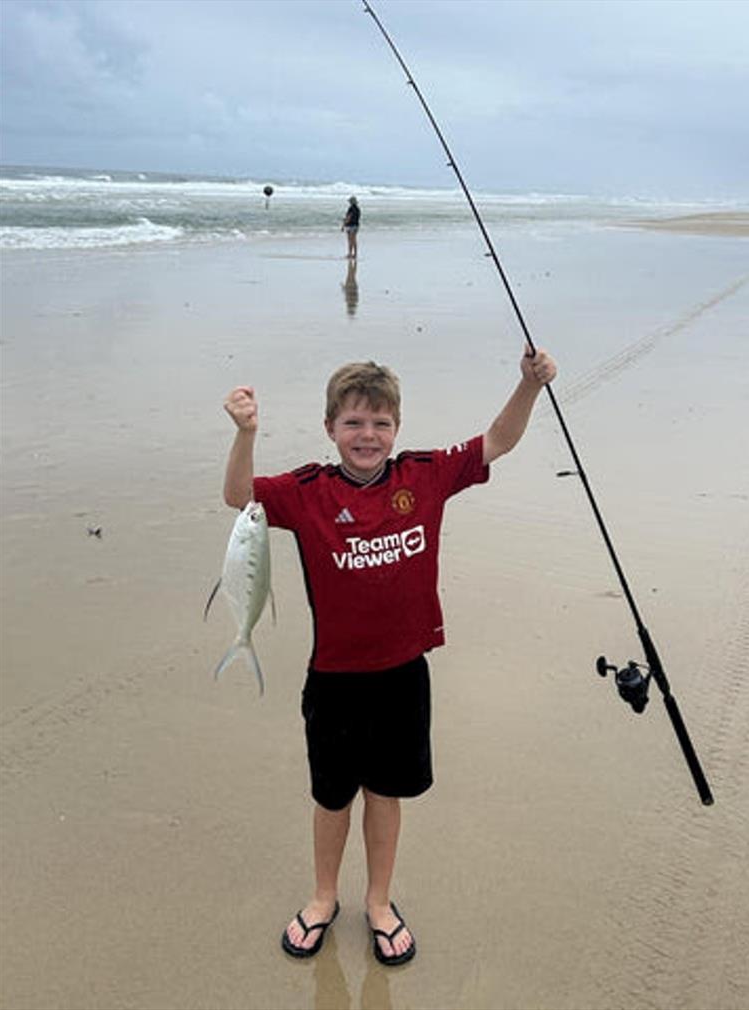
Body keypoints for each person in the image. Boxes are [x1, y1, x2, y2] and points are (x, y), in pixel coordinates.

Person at [222, 346, 557, 966]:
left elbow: (497, 443)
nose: (367, 435)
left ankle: (379, 900)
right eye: (353, 423)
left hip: (403, 674)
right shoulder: (306, 491)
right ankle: (325, 897)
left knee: (385, 793)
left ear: (396, 428)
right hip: (333, 680)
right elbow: (239, 495)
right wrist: (246, 434)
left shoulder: (423, 475)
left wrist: (528, 387)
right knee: (331, 798)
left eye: (379, 423)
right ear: (330, 429)